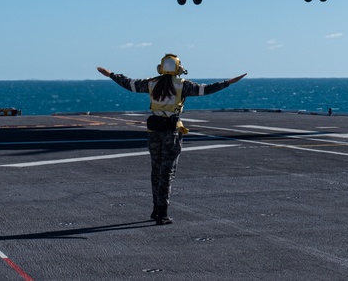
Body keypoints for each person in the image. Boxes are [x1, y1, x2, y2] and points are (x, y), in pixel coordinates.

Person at [97, 54, 246, 225]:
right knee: (167, 172)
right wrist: (228, 82)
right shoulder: (183, 85)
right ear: (178, 68)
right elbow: (206, 89)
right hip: (171, 132)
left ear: (161, 68)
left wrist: (111, 74)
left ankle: (155, 209)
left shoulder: (151, 83)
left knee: (156, 169)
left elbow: (129, 84)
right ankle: (163, 213)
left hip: (153, 131)